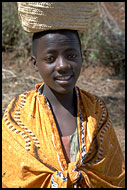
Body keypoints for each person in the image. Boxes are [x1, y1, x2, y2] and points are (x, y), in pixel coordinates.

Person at [2, 3, 125, 188]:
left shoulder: (96, 110)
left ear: (82, 56)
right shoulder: (19, 115)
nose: (63, 65)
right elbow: (13, 178)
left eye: (72, 56)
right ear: (35, 63)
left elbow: (112, 176)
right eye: (50, 58)